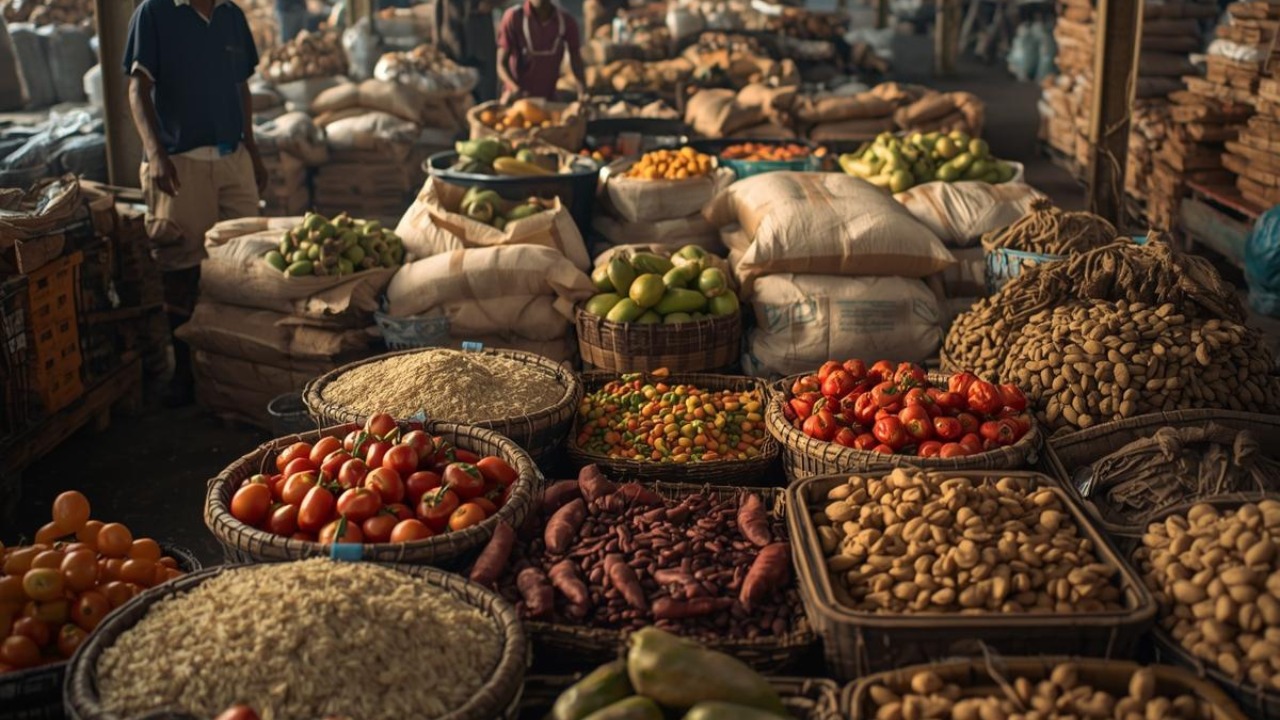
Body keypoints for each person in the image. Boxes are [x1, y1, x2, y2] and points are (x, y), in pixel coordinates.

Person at [123, 0, 267, 405]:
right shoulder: (154, 13)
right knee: (181, 265)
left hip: (232, 159)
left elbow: (242, 87)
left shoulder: (231, 16)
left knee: (243, 261)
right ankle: (184, 374)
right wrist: (155, 154)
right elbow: (138, 88)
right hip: (178, 163)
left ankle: (231, 366)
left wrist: (252, 150)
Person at [496, 0, 587, 102]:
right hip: (516, 99)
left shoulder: (565, 21)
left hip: (548, 100)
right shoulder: (514, 17)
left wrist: (583, 92)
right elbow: (501, 64)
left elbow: (576, 60)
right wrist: (515, 89)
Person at [438, 0, 498, 101]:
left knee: (485, 98)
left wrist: (493, 2)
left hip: (478, 32)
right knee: (454, 95)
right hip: (451, 32)